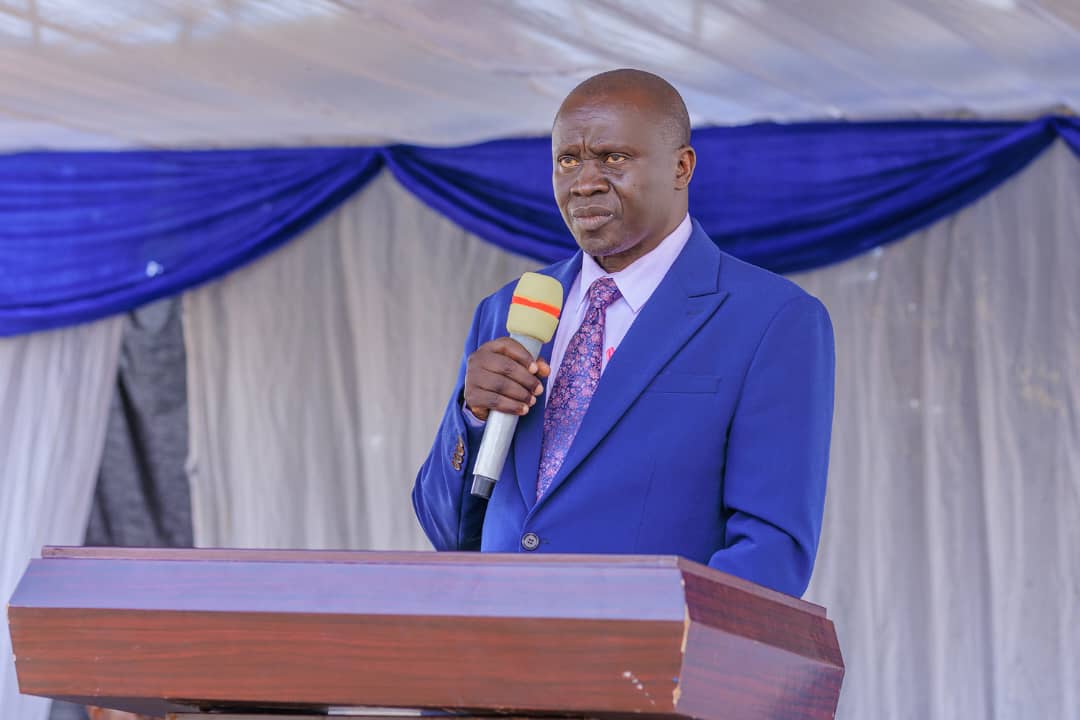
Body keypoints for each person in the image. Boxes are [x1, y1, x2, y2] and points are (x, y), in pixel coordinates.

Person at [412, 69, 834, 598]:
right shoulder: (510, 310)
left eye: (613, 158)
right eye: (569, 159)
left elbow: (771, 551)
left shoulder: (772, 319)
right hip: (500, 656)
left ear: (682, 167)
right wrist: (471, 418)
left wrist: (650, 648)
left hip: (646, 664)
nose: (584, 181)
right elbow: (448, 532)